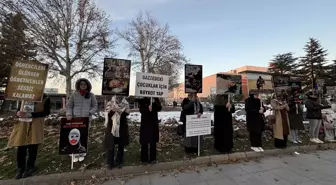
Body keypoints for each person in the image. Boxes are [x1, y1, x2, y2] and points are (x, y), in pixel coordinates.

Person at [8, 94, 51, 179]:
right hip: (23, 124)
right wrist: (18, 113)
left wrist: (32, 115)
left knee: (33, 146)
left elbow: (46, 112)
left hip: (36, 124)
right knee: (21, 146)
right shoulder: (24, 97)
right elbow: (18, 110)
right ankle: (20, 168)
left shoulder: (45, 98)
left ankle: (30, 167)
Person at [66, 78, 98, 162]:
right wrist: (69, 114)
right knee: (74, 135)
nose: (83, 85)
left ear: (87, 85)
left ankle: (82, 152)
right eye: (81, 84)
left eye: (85, 84)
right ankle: (74, 153)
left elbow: (95, 106)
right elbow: (69, 106)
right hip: (75, 119)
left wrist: (90, 112)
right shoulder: (74, 95)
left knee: (84, 136)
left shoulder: (91, 95)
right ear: (78, 85)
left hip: (86, 120)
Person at [103, 96, 130, 169]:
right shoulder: (110, 103)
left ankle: (119, 161)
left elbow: (127, 113)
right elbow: (107, 114)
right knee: (110, 145)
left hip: (122, 126)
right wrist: (112, 110)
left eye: (120, 96)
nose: (118, 97)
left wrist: (120, 111)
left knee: (121, 145)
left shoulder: (125, 103)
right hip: (112, 127)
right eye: (117, 96)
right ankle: (110, 163)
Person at [139, 97, 162, 164]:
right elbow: (141, 110)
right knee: (144, 142)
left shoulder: (155, 99)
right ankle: (144, 159)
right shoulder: (143, 99)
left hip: (153, 124)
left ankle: (153, 159)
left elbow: (159, 108)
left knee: (153, 142)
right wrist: (147, 109)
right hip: (145, 124)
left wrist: (154, 101)